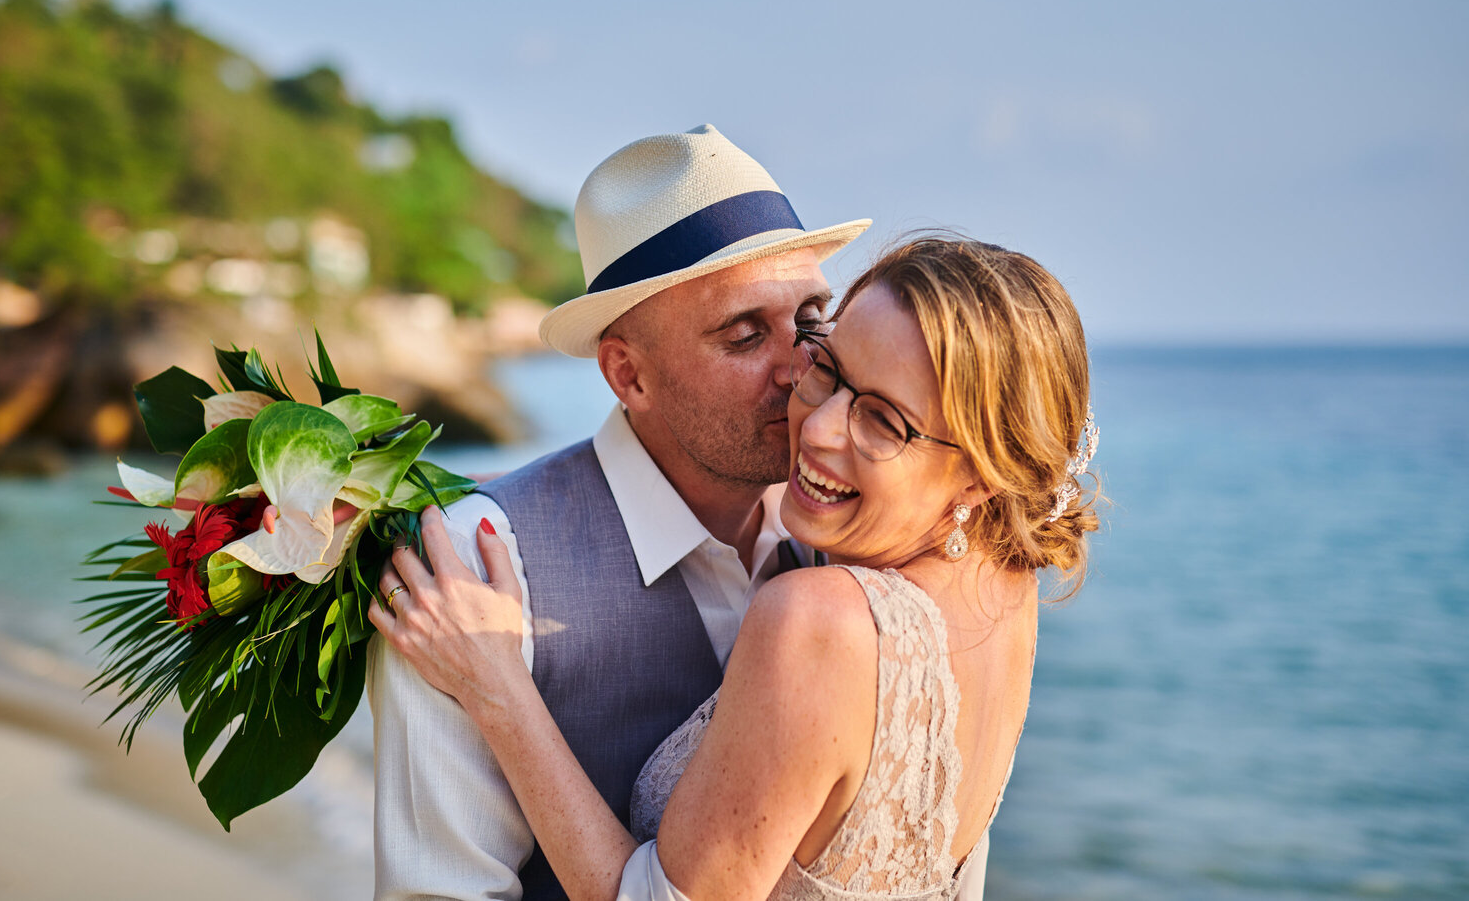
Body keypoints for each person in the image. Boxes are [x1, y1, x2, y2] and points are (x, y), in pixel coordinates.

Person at [371, 234, 1101, 900]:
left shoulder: (817, 612)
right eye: (830, 362)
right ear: (627, 374)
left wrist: (501, 691)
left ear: (981, 477)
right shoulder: (1004, 588)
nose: (808, 416)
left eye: (882, 419)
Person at [365, 123, 872, 899]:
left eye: (809, 319)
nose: (800, 366)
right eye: (743, 335)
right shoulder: (474, 563)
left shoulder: (855, 530)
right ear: (628, 375)